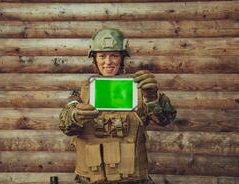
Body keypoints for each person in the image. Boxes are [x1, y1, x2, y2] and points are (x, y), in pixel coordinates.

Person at [59, 28, 177, 184]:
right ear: (95, 59)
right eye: (102, 56)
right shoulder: (81, 93)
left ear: (122, 59)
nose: (108, 62)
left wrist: (152, 98)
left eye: (114, 56)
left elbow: (166, 119)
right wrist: (75, 116)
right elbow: (66, 124)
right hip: (92, 179)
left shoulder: (140, 88)